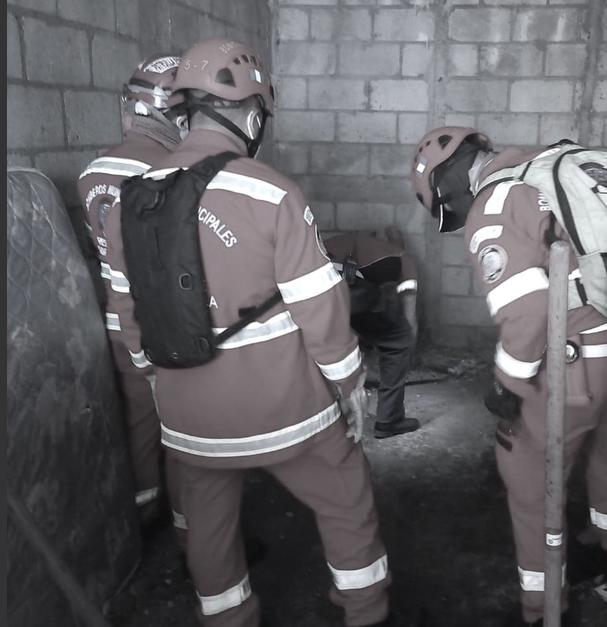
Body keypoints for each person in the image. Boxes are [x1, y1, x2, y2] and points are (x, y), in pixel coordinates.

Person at [103, 39, 399, 627]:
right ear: (253, 115)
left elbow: (124, 313)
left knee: (209, 521)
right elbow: (322, 310)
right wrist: (351, 385)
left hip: (188, 415)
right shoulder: (271, 191)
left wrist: (155, 383)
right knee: (345, 496)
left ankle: (228, 618)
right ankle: (365, 610)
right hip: (285, 409)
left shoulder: (127, 200)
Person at [410, 128, 607, 626]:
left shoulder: (495, 205)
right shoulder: (556, 164)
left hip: (579, 365)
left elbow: (525, 315)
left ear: (447, 186)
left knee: (526, 471)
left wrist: (507, 384)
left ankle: (542, 605)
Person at [76, 53, 187, 532]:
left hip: (119, 321)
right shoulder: (178, 173)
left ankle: (144, 517)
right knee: (186, 432)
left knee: (140, 422)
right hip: (169, 325)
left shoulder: (89, 173)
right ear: (175, 113)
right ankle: (192, 534)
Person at [322, 228, 421, 439]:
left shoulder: (347, 242)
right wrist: (409, 349)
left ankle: (327, 417)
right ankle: (389, 421)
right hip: (352, 289)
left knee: (339, 338)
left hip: (317, 292)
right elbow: (410, 311)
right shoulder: (404, 259)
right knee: (399, 341)